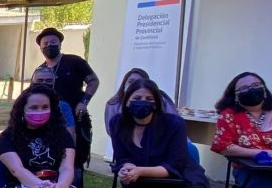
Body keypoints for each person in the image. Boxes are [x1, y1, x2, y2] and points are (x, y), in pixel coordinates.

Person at [36, 27, 98, 167]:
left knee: (77, 152)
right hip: (50, 118)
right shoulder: (40, 71)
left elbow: (93, 81)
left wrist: (84, 102)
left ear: (60, 44)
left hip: (76, 114)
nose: (49, 45)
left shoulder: (74, 61)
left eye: (53, 42)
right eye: (45, 43)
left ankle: (74, 178)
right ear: (40, 47)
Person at [105, 67, 178, 136]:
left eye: (139, 82)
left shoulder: (161, 99)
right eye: (131, 81)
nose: (133, 85)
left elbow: (174, 123)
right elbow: (111, 131)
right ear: (124, 84)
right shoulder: (113, 103)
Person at [31, 66, 76, 142]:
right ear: (33, 82)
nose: (44, 83)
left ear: (54, 83)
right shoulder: (23, 102)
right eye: (40, 80)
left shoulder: (63, 106)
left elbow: (71, 134)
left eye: (48, 81)